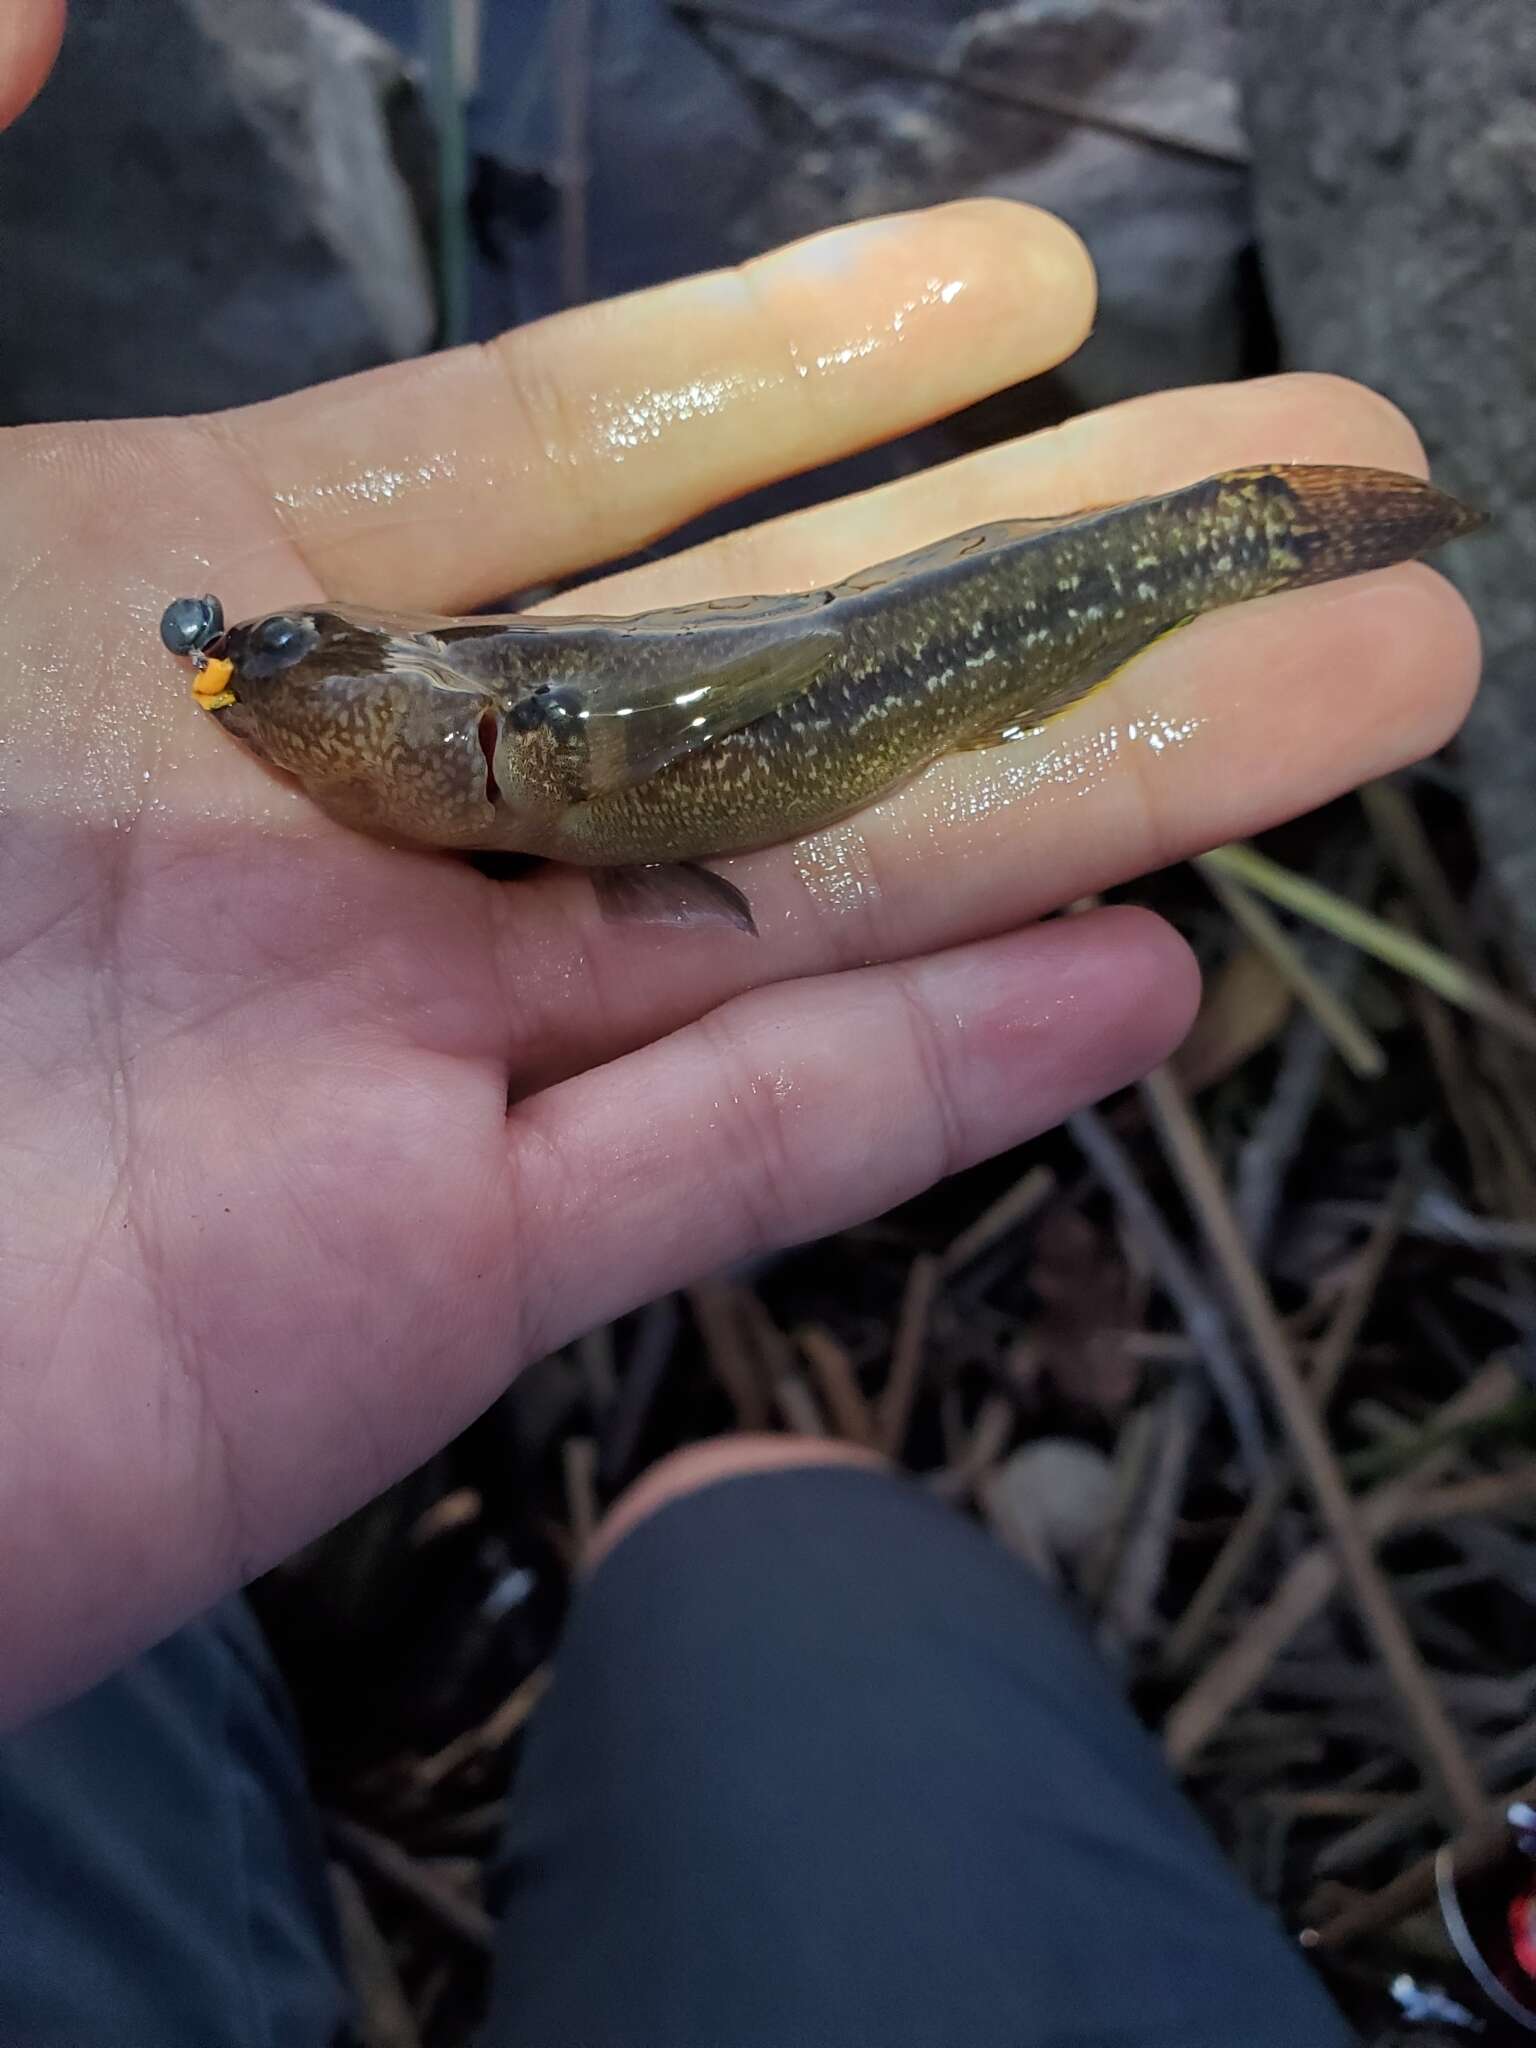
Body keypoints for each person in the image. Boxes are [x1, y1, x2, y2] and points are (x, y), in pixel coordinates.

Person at [0, 6, 1477, 2041]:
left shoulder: (507, 747)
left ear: (488, 749)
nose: (283, 697)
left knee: (740, 1580)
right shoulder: (462, 733)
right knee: (753, 1583)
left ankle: (1269, 533)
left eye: (321, 693)